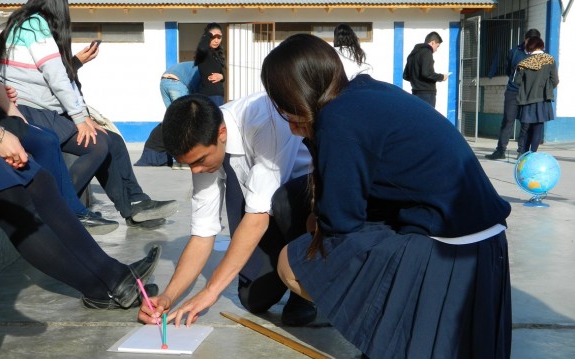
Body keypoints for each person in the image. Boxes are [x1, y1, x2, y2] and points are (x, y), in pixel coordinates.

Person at [262, 34, 512, 358]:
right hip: (484, 242)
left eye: (281, 104)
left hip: (449, 250)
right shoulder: (365, 93)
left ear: (292, 100)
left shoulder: (337, 120)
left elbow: (341, 222)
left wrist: (316, 218)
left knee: (290, 262)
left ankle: (389, 334)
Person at [0, 5, 162, 310]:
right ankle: (99, 287)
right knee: (14, 202)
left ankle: (111, 273)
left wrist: (0, 130)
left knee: (39, 178)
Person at [138, 92, 319, 327]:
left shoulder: (266, 121)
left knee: (283, 202)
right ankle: (280, 266)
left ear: (221, 133)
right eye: (188, 164)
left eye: (199, 160)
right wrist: (168, 296)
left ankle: (307, 281)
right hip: (264, 207)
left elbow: (257, 218)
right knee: (254, 300)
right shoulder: (204, 147)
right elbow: (203, 233)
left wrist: (210, 291)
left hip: (305, 201)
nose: (195, 171)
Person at [0, 0, 178, 229]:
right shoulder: (34, 24)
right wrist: (80, 119)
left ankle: (136, 205)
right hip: (29, 111)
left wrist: (83, 115)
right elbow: (57, 77)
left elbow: (61, 76)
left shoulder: (24, 23)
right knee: (98, 143)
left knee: (114, 141)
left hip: (40, 109)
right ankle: (64, 205)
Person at [0, 0, 119, 234]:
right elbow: (54, 76)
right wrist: (5, 124)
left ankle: (78, 207)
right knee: (57, 141)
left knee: (83, 141)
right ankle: (66, 210)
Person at [485, 29, 542, 160]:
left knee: (525, 123)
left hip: (529, 93)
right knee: (508, 120)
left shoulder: (539, 55)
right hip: (513, 91)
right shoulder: (515, 52)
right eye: (529, 40)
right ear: (525, 39)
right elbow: (508, 70)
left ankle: (522, 152)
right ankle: (500, 150)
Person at [135, 61, 200, 167]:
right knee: (181, 122)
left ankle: (173, 156)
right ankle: (178, 160)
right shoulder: (201, 68)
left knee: (172, 120)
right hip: (176, 83)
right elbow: (197, 91)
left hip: (164, 82)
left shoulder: (189, 65)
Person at [514, 36, 559, 154]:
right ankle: (533, 155)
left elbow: (517, 82)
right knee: (537, 129)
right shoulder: (550, 60)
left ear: (529, 48)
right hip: (542, 100)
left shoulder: (523, 63)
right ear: (542, 46)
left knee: (525, 129)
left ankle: (522, 154)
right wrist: (546, 89)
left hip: (526, 100)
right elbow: (555, 80)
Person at [403, 31, 448, 107]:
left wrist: (416, 81)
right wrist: (442, 77)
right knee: (427, 118)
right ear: (433, 42)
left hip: (415, 93)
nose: (436, 50)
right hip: (427, 95)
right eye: (437, 46)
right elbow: (426, 73)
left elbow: (405, 76)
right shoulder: (427, 52)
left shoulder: (413, 54)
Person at [194, 23, 225, 106]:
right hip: (208, 96)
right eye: (213, 37)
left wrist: (222, 77)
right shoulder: (204, 52)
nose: (216, 40)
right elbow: (202, 47)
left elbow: (221, 73)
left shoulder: (217, 55)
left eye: (219, 37)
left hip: (218, 95)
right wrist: (209, 34)